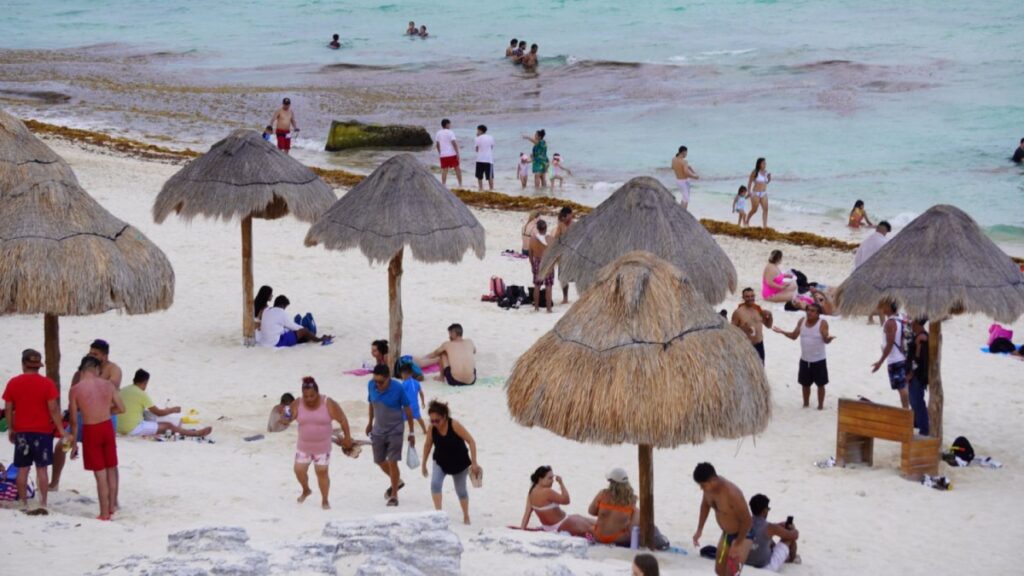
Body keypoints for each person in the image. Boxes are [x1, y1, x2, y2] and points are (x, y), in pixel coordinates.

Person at [3, 349, 65, 511]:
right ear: (39, 366)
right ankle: (43, 502)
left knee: (22, 468)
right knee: (42, 469)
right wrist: (60, 429)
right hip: (43, 432)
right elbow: (53, 408)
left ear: (23, 364)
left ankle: (23, 502)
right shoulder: (47, 384)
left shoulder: (13, 383)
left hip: (22, 432)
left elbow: (8, 408)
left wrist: (11, 428)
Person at [68, 356, 124, 520]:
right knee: (111, 468)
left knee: (100, 474)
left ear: (83, 370)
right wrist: (106, 412)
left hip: (91, 429)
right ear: (96, 369)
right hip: (107, 426)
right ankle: (112, 507)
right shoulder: (108, 385)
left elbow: (73, 420)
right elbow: (121, 408)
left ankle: (104, 513)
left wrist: (73, 445)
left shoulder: (76, 389)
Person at [287, 377, 353, 509]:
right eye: (306, 396)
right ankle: (306, 490)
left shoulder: (328, 403)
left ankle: (325, 500)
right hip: (304, 447)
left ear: (317, 393)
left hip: (322, 448)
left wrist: (347, 437)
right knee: (298, 470)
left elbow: (343, 420)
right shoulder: (297, 404)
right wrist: (283, 416)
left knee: (321, 472)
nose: (309, 399)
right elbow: (286, 419)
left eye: (312, 395)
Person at [420, 400, 481, 524]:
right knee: (435, 484)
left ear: (445, 417)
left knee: (461, 491)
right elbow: (427, 445)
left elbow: (471, 441)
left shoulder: (454, 425)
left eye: (437, 420)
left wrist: (474, 463)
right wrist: (424, 464)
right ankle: (439, 515)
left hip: (459, 462)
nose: (434, 423)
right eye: (432, 420)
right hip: (440, 460)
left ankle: (466, 516)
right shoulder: (432, 428)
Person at [366, 364, 415, 507]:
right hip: (378, 430)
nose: (378, 384)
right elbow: (371, 403)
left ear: (389, 378)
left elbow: (408, 409)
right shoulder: (371, 385)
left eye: (381, 381)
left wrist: (411, 432)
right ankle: (397, 481)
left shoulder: (398, 388)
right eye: (376, 380)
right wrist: (370, 422)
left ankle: (394, 495)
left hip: (395, 430)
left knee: (393, 461)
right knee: (379, 460)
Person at [692, 463, 753, 576]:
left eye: (703, 485)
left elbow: (747, 521)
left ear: (712, 480)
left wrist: (738, 544)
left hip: (744, 535)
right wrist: (699, 530)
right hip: (726, 534)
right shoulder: (708, 490)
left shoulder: (732, 493)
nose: (701, 488)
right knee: (719, 571)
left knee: (732, 573)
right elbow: (705, 506)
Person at [772, 304, 835, 409]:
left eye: (813, 311)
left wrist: (829, 339)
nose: (809, 312)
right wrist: (782, 332)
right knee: (805, 384)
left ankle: (820, 406)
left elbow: (825, 338)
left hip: (819, 360)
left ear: (818, 314)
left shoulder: (822, 323)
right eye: (808, 310)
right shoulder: (802, 321)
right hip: (804, 360)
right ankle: (806, 404)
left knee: (821, 384)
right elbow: (793, 336)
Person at [589, 467, 670, 549]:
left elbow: (591, 511)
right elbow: (632, 528)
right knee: (637, 513)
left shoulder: (603, 494)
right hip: (617, 539)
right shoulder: (632, 500)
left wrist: (605, 512)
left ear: (611, 482)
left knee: (590, 527)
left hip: (598, 536)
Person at [116, 369, 212, 437]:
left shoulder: (124, 390)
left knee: (148, 416)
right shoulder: (141, 394)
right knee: (168, 426)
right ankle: (195, 433)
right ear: (144, 382)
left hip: (118, 427)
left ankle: (185, 431)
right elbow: (158, 413)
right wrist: (172, 410)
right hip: (131, 429)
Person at [520, 466, 593, 535]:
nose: (552, 481)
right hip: (561, 524)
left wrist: (522, 530)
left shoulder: (531, 493)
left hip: (548, 527)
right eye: (550, 478)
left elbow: (527, 514)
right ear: (540, 479)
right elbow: (567, 500)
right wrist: (561, 483)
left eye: (553, 478)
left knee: (583, 518)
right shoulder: (547, 492)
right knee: (592, 527)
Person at [746, 494, 800, 571]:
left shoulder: (744, 523)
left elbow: (759, 529)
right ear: (764, 511)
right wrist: (794, 529)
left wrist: (778, 525)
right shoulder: (770, 528)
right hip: (765, 567)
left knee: (766, 539)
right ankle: (792, 560)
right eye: (768, 509)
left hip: (746, 563)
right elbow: (794, 536)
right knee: (789, 539)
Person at [871, 301, 910, 408]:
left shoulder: (890, 323)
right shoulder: (901, 317)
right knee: (903, 387)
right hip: (903, 356)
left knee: (901, 388)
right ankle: (906, 410)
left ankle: (906, 411)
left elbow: (890, 344)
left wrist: (880, 362)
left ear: (890, 307)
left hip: (895, 359)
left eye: (884, 305)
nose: (881, 307)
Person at [256, 295, 332, 347]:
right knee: (304, 331)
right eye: (285, 307)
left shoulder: (267, 310)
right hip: (275, 342)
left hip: (264, 341)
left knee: (295, 333)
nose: (285, 309)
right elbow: (294, 327)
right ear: (282, 305)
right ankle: (319, 339)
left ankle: (306, 338)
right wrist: (304, 329)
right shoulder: (280, 312)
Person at [732, 288, 772, 363]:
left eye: (752, 296)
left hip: (759, 345)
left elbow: (768, 326)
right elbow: (731, 331)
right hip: (746, 346)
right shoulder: (738, 312)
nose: (750, 298)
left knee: (760, 370)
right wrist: (744, 329)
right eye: (747, 296)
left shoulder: (758, 309)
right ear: (743, 298)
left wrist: (770, 316)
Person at [906, 317, 930, 435]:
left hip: (918, 375)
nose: (912, 324)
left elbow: (919, 359)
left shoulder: (922, 338)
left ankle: (924, 429)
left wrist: (911, 373)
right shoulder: (919, 336)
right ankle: (918, 423)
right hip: (916, 374)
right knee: (913, 400)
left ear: (918, 323)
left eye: (913, 322)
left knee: (917, 401)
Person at [550, 206, 574, 304]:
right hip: (564, 254)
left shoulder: (574, 224)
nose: (572, 216)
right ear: (566, 215)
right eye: (570, 214)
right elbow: (556, 238)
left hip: (573, 253)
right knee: (563, 277)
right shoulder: (561, 225)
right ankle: (565, 298)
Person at [529, 220, 554, 312]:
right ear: (546, 228)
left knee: (537, 285)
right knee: (548, 286)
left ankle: (536, 307)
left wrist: (532, 264)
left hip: (537, 261)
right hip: (547, 262)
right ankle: (548, 309)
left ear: (537, 228)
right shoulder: (550, 239)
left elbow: (530, 253)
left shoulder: (532, 239)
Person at [398, 361, 427, 434]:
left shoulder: (404, 384)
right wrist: (423, 402)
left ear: (405, 374)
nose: (402, 376)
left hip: (406, 406)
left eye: (402, 374)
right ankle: (424, 430)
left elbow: (401, 395)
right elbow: (421, 393)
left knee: (401, 420)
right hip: (415, 405)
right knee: (419, 418)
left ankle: (399, 432)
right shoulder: (416, 382)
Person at [746, 158, 771, 228]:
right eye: (763, 163)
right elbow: (750, 182)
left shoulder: (766, 172)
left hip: (763, 193)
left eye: (765, 163)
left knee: (766, 209)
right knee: (754, 210)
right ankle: (747, 220)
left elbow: (766, 182)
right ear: (759, 164)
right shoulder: (755, 172)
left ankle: (765, 227)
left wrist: (769, 178)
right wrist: (749, 192)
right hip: (755, 193)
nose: (765, 165)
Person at [435, 118, 462, 187]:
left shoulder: (438, 133)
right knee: (457, 169)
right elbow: (454, 143)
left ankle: (443, 184)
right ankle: (460, 184)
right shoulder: (450, 132)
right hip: (452, 154)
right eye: (449, 124)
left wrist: (440, 153)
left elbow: (437, 145)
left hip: (443, 155)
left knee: (444, 170)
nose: (450, 125)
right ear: (447, 124)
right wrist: (457, 153)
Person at [474, 124, 495, 191]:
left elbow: (476, 150)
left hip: (479, 159)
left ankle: (480, 188)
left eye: (477, 130)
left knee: (479, 176)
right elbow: (491, 147)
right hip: (488, 159)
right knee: (490, 176)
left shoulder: (477, 138)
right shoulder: (490, 137)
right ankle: (491, 189)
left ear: (480, 130)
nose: (477, 132)